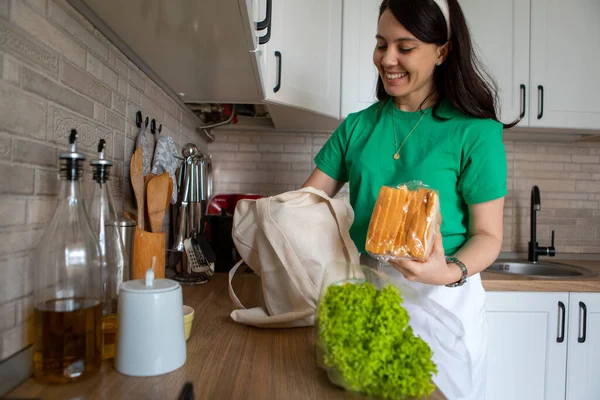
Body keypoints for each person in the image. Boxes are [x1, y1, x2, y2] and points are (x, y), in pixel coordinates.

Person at [302, 0, 512, 398]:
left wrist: (447, 271)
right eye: (381, 44)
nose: (388, 58)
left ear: (442, 50)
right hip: (369, 300)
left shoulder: (475, 132)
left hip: (445, 302)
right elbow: (305, 206)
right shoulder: (357, 127)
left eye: (405, 46)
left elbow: (488, 236)